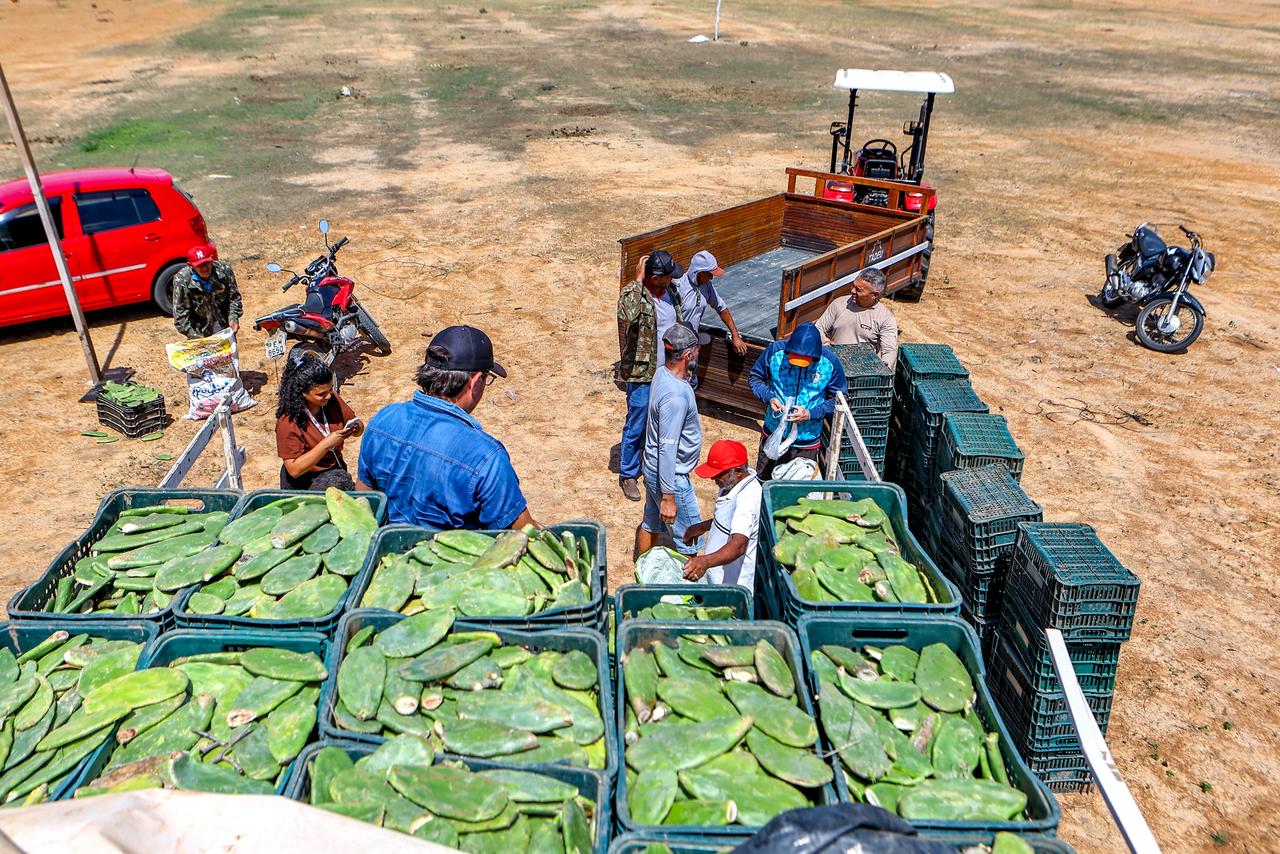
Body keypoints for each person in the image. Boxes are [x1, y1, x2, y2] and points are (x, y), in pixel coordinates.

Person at [357, 325, 536, 530]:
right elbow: (524, 533)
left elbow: (364, 500)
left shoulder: (382, 420)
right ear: (476, 381)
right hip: (448, 551)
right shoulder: (486, 457)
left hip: (389, 546)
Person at [616, 249, 685, 502]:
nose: (672, 279)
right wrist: (637, 280)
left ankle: (652, 467)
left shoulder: (671, 292)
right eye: (668, 275)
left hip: (668, 372)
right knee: (637, 424)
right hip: (642, 374)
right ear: (655, 277)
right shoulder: (634, 294)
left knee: (661, 423)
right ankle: (628, 474)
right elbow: (627, 315)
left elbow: (678, 325)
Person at [637, 322, 707, 559]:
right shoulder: (676, 397)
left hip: (653, 467)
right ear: (687, 355)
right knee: (690, 539)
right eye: (696, 349)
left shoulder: (661, 373)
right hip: (670, 476)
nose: (698, 353)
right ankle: (689, 583)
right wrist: (668, 497)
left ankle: (641, 569)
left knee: (651, 523)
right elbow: (668, 449)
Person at [748, 321, 848, 480]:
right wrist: (769, 397)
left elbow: (839, 399)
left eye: (805, 360)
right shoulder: (775, 352)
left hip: (806, 441)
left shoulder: (830, 362)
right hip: (773, 434)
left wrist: (811, 414)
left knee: (798, 489)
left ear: (816, 355)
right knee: (764, 483)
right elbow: (755, 378)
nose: (800, 364)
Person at [680, 439, 762, 593]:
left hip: (731, 586)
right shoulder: (731, 484)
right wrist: (701, 527)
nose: (713, 479)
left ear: (738, 472)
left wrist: (704, 562)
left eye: (718, 474)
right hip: (716, 576)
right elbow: (727, 519)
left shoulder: (748, 499)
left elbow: (739, 545)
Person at [274, 358, 362, 490]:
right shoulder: (288, 422)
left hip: (334, 476)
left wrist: (357, 428)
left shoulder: (332, 401)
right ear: (303, 393)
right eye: (321, 394)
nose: (328, 396)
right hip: (304, 484)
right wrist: (326, 445)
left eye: (330, 389)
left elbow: (357, 426)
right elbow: (294, 469)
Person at [814, 268, 899, 368]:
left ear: (874, 295)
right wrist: (827, 345)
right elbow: (818, 328)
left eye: (858, 290)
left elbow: (889, 351)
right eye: (853, 286)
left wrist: (884, 370)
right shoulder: (839, 304)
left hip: (861, 370)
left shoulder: (885, 318)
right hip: (833, 365)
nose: (852, 291)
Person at [673, 250, 748, 357]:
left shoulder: (706, 285)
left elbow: (722, 308)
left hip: (692, 343)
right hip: (676, 343)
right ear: (699, 273)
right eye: (709, 274)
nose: (711, 278)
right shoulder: (679, 287)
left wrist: (735, 335)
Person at [172, 243, 243, 339]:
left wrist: (233, 318)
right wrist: (195, 337)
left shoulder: (224, 271)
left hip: (224, 326)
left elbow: (234, 298)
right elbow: (180, 314)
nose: (205, 268)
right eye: (200, 265)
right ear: (191, 265)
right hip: (199, 331)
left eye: (207, 263)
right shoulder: (182, 280)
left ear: (211, 260)